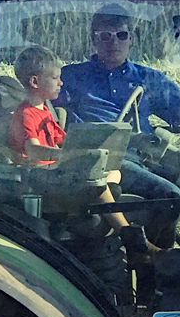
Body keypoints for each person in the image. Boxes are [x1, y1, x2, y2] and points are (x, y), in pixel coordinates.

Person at [55, 4, 180, 248]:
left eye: (121, 36)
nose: (113, 43)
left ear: (131, 39)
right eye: (105, 36)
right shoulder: (69, 77)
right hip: (98, 161)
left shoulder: (149, 79)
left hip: (142, 157)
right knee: (169, 196)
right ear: (93, 40)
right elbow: (35, 101)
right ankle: (158, 265)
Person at [9, 45, 163, 259]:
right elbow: (33, 151)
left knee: (114, 171)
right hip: (41, 181)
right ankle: (127, 233)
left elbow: (64, 141)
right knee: (96, 181)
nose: (61, 83)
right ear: (35, 82)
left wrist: (89, 144)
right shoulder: (26, 114)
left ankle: (99, 193)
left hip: (57, 174)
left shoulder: (44, 110)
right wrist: (68, 155)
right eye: (54, 78)